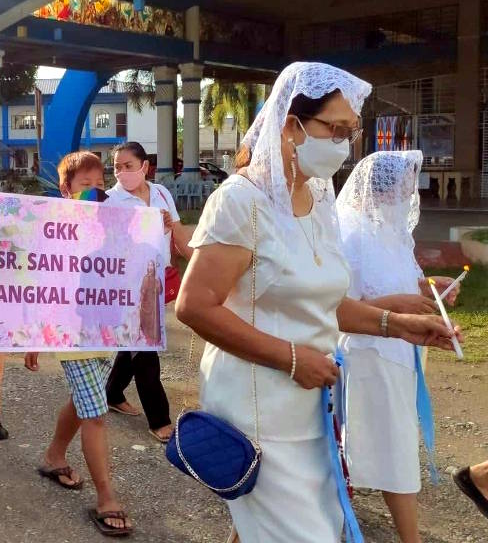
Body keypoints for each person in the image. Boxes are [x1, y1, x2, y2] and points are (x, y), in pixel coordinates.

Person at [175, 62, 461, 543]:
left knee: (310, 527)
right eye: (336, 129)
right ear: (291, 124)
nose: (345, 144)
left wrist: (396, 324)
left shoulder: (319, 200)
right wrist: (290, 359)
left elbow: (328, 304)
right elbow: (195, 306)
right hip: (255, 410)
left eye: (352, 132)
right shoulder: (241, 201)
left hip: (309, 409)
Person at [336, 150, 462, 543]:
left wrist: (430, 288)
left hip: (400, 353)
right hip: (369, 356)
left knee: (389, 447)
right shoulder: (349, 234)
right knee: (394, 453)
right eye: (404, 187)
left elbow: (404, 284)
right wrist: (402, 306)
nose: (411, 194)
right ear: (382, 191)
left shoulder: (392, 234)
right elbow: (337, 308)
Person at [23, 150, 133, 538]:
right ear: (67, 190)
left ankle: (54, 457)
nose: (95, 191)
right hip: (72, 335)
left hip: (109, 332)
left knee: (87, 400)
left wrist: (160, 227)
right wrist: (35, 336)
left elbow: (133, 267)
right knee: (96, 414)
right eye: (85, 185)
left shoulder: (112, 226)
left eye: (100, 184)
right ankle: (106, 497)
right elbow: (42, 284)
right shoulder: (54, 228)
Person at [104, 141, 192, 443]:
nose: (121, 173)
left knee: (135, 343)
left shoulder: (161, 193)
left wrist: (196, 262)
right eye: (117, 167)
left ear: (144, 167)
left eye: (128, 166)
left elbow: (178, 234)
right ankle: (159, 418)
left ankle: (112, 392)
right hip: (127, 285)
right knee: (145, 346)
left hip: (154, 281)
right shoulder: (109, 200)